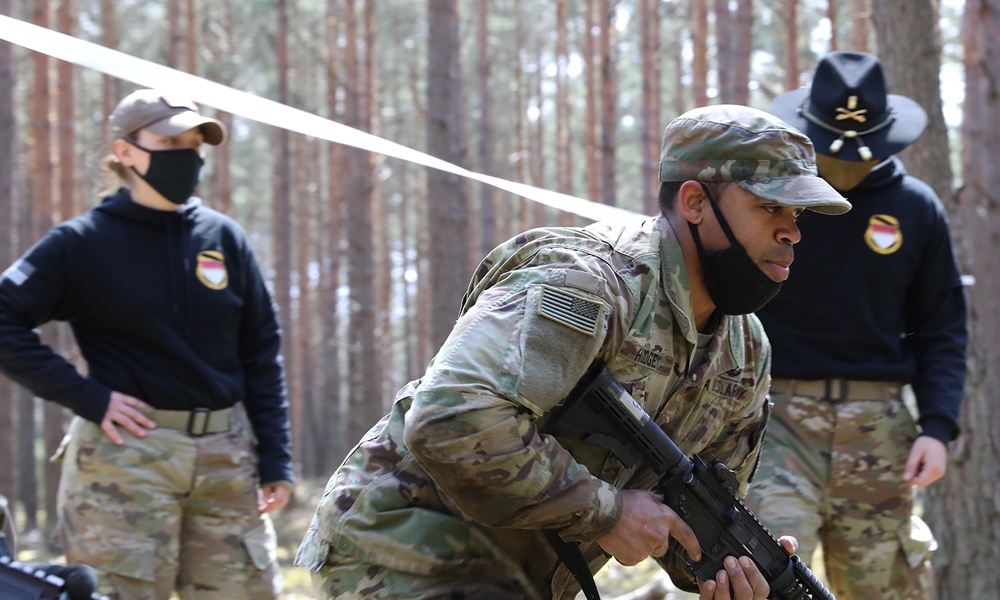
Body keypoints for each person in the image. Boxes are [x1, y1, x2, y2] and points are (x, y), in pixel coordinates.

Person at [295, 104, 851, 600]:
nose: (791, 234)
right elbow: (449, 417)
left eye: (796, 216)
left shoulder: (744, 352)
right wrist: (606, 511)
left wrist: (731, 571)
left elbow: (684, 531)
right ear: (696, 202)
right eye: (769, 209)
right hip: (407, 549)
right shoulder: (585, 283)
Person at [0, 88, 294, 599]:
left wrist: (276, 459)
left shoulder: (225, 239)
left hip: (227, 460)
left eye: (195, 141)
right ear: (125, 152)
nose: (187, 153)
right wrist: (89, 398)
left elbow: (261, 353)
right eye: (170, 139)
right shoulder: (82, 243)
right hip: (126, 462)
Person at [744, 51, 968, 600]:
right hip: (775, 424)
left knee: (885, 589)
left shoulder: (916, 208)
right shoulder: (770, 202)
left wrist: (937, 427)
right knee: (765, 578)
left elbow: (942, 327)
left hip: (880, 430)